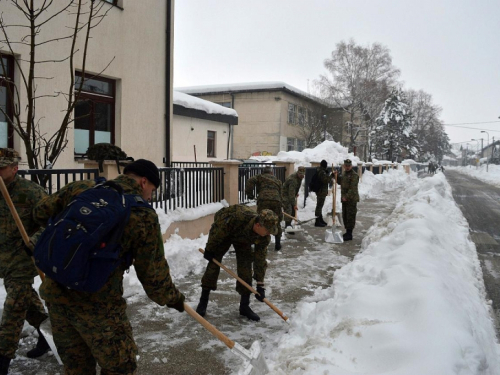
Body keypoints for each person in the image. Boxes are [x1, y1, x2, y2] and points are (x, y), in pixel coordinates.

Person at [32, 159, 185, 375]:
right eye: (152, 189)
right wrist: (174, 299)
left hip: (57, 298)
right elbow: (154, 277)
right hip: (100, 307)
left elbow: (39, 213)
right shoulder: (142, 214)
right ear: (143, 182)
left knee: (76, 367)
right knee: (121, 366)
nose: (150, 196)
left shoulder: (82, 188)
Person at [0, 148, 50, 374]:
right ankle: (48, 334)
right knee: (26, 302)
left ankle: (2, 358)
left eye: (1, 168)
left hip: (23, 259)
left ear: (14, 168)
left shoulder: (31, 192)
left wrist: (35, 240)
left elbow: (52, 221)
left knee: (14, 308)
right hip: (3, 259)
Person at [195, 205, 279, 322]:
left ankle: (244, 306)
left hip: (243, 240)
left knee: (245, 268)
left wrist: (260, 285)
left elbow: (260, 259)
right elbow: (217, 231)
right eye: (267, 230)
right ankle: (203, 300)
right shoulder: (237, 217)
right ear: (258, 225)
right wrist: (210, 249)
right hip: (226, 232)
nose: (269, 234)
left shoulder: (264, 237)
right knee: (214, 263)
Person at [245, 165, 283, 251]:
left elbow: (250, 181)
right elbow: (281, 193)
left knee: (261, 220)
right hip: (276, 201)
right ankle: (278, 243)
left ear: (264, 172)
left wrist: (250, 194)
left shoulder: (260, 177)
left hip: (263, 201)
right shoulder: (277, 180)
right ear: (272, 172)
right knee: (276, 220)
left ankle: (259, 242)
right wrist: (280, 204)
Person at [333, 159, 359, 241]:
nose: (347, 167)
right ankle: (347, 232)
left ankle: (349, 233)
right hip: (344, 199)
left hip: (351, 199)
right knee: (345, 215)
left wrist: (346, 196)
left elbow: (353, 188)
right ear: (344, 166)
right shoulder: (344, 174)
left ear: (351, 166)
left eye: (349, 166)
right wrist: (335, 176)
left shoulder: (354, 175)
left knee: (350, 216)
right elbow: (341, 182)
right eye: (346, 166)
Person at [282, 166, 305, 231]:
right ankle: (287, 226)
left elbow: (294, 190)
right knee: (289, 209)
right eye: (300, 174)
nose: (302, 176)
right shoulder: (293, 180)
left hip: (290, 194)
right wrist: (294, 205)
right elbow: (291, 194)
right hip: (285, 195)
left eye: (303, 174)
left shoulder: (299, 178)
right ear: (298, 173)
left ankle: (289, 224)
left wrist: (296, 193)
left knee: (292, 211)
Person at [314, 160, 333, 227]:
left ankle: (320, 219)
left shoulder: (321, 171)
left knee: (320, 206)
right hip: (321, 191)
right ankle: (317, 221)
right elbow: (326, 180)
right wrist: (331, 176)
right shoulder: (322, 172)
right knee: (319, 206)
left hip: (321, 191)